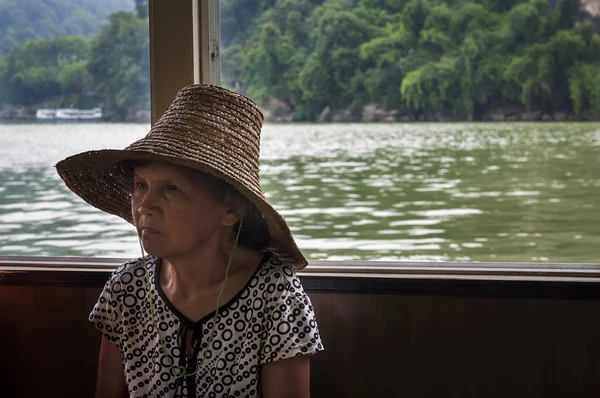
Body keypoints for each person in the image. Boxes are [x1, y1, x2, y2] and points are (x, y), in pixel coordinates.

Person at [56, 84, 323, 398]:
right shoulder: (126, 288)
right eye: (140, 184)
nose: (144, 205)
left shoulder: (274, 295)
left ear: (231, 209)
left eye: (171, 188)